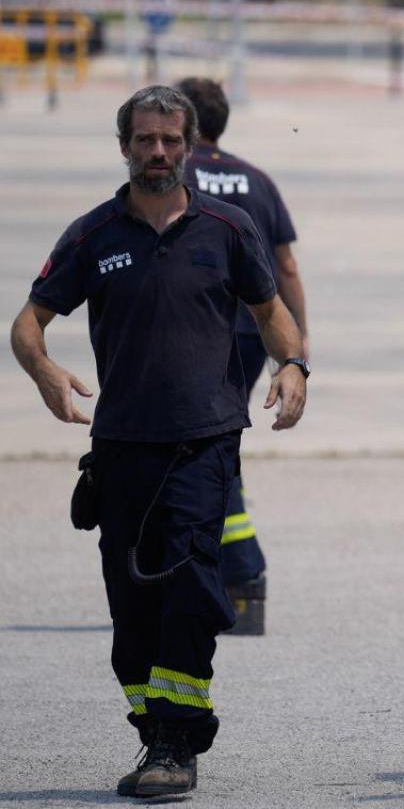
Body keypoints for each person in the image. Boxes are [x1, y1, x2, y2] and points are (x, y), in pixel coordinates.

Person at [10, 85, 308, 798]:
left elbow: (271, 310)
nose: (158, 152)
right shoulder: (93, 235)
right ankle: (155, 731)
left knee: (191, 586)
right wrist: (45, 371)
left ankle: (178, 740)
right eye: (145, 140)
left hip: (204, 440)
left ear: (189, 146)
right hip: (121, 444)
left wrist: (294, 365)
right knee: (133, 603)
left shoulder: (227, 227)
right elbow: (27, 323)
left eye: (170, 140)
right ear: (124, 146)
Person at [175, 76, 307, 635]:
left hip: (198, 332)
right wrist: (296, 347)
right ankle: (230, 574)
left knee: (196, 445)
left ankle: (241, 569)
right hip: (254, 332)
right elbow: (287, 267)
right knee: (215, 439)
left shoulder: (173, 176)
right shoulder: (257, 179)